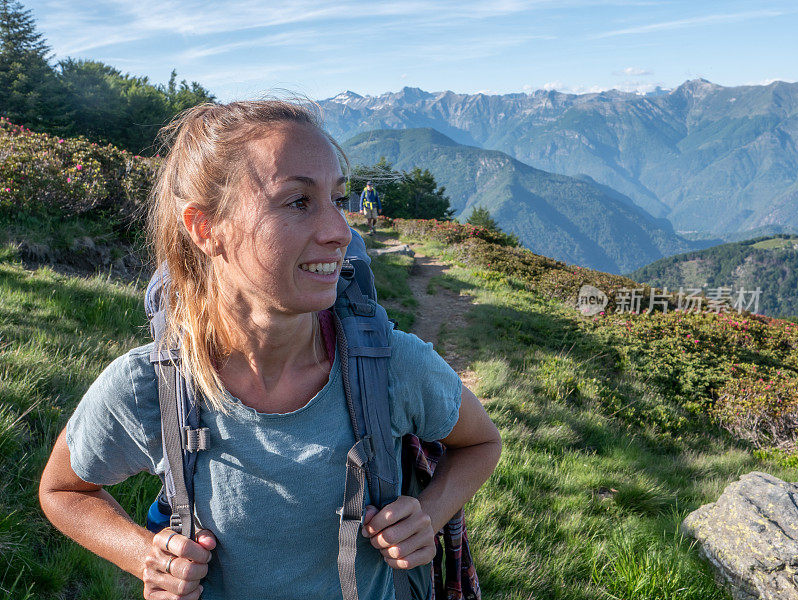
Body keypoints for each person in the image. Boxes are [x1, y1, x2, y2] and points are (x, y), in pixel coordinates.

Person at [38, 100, 502, 600]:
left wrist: (427, 516)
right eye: (298, 202)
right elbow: (62, 491)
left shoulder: (390, 367)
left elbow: (481, 443)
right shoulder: (151, 385)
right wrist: (146, 556)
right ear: (205, 228)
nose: (341, 232)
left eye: (336, 200)